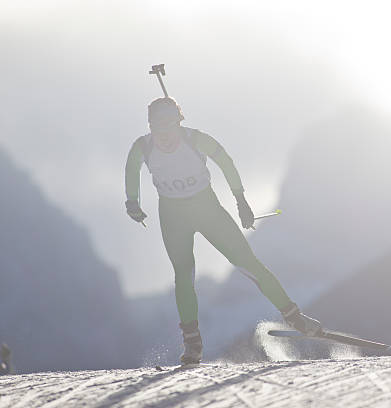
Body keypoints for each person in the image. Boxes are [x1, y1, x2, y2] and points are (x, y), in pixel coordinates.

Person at [124, 97, 321, 365]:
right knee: (183, 276)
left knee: (248, 263)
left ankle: (294, 317)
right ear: (150, 127)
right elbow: (131, 168)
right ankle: (193, 345)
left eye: (170, 128)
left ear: (179, 125)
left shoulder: (196, 139)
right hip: (172, 215)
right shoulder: (143, 146)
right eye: (158, 130)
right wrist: (132, 201)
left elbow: (225, 162)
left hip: (207, 210)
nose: (165, 136)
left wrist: (241, 201)